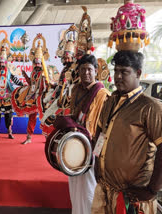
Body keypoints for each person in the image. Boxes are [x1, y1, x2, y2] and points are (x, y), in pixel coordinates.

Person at [92, 51, 162, 214]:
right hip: (105, 191)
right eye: (116, 71)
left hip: (133, 198)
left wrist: (152, 189)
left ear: (138, 73)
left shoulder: (150, 107)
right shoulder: (109, 101)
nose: (118, 76)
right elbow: (100, 135)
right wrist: (97, 164)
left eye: (124, 72)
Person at [65, 54, 110, 214]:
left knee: (89, 190)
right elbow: (72, 113)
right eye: (83, 69)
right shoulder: (76, 89)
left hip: (91, 149)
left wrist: (97, 156)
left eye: (89, 69)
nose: (86, 73)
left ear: (96, 71)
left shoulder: (103, 94)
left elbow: (105, 129)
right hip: (75, 145)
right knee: (75, 187)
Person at [11, 34, 49, 144]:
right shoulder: (33, 72)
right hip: (32, 97)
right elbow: (30, 83)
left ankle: (47, 137)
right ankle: (28, 137)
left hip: (43, 98)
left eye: (39, 62)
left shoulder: (45, 73)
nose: (37, 64)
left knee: (45, 118)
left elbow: (47, 85)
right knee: (32, 118)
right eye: (35, 62)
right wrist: (25, 76)